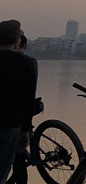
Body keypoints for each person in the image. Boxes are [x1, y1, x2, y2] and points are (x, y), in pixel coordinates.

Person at [0, 21, 37, 183]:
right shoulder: (27, 63)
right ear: (17, 41)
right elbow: (28, 100)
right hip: (10, 123)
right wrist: (26, 130)